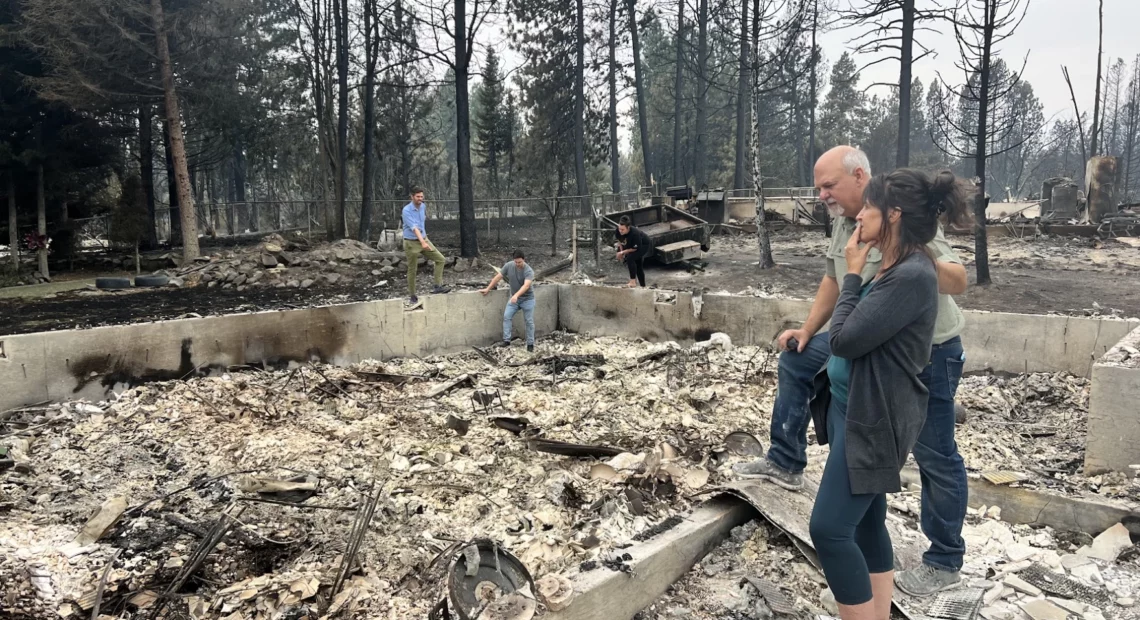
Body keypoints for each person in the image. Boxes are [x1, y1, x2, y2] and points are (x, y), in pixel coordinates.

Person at [733, 146, 972, 597]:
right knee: (798, 357)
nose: (822, 194)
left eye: (829, 185)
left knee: (935, 455)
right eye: (819, 186)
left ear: (860, 176)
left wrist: (902, 260)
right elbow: (832, 278)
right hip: (862, 337)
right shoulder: (848, 221)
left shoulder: (900, 216)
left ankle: (944, 558)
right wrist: (806, 329)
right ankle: (785, 460)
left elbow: (958, 278)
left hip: (923, 354)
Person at [808, 168, 971, 620]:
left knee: (829, 529)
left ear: (894, 215)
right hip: (852, 404)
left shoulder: (914, 273)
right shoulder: (898, 264)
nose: (860, 218)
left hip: (875, 419)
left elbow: (844, 339)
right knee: (867, 522)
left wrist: (855, 276)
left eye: (870, 210)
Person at [402, 186, 449, 307]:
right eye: (417, 197)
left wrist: (425, 240)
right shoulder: (406, 210)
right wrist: (422, 242)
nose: (420, 199)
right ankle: (412, 295)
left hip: (424, 239)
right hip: (411, 242)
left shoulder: (423, 206)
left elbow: (421, 224)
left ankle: (437, 286)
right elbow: (414, 228)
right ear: (412, 197)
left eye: (422, 197)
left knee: (440, 259)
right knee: (412, 269)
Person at [481, 250, 537, 353]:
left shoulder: (528, 271)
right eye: (516, 262)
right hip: (514, 298)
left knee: (529, 321)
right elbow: (498, 277)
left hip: (527, 299)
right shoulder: (509, 266)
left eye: (519, 262)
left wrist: (516, 295)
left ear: (523, 260)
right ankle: (506, 340)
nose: (517, 264)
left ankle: (530, 344)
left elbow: (526, 286)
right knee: (507, 316)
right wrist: (488, 288)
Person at [614, 215, 652, 287]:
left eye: (622, 229)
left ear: (628, 228)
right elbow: (620, 242)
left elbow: (635, 249)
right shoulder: (618, 230)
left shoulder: (635, 233)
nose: (620, 231)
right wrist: (621, 252)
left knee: (631, 258)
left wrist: (622, 252)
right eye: (620, 229)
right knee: (638, 265)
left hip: (643, 245)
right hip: (631, 244)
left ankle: (633, 282)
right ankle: (643, 286)